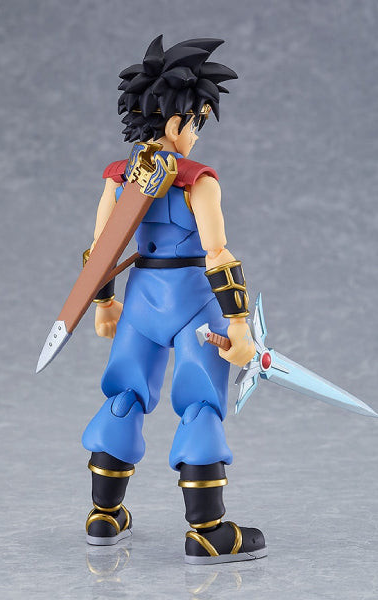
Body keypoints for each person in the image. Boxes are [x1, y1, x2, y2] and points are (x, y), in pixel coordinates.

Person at [81, 36, 267, 564]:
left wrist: (105, 305)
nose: (196, 133)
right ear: (175, 120)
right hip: (191, 302)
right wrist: (238, 325)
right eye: (196, 121)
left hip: (141, 301)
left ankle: (104, 516)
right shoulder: (196, 183)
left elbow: (101, 251)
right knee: (201, 402)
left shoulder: (120, 179)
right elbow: (217, 254)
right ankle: (208, 530)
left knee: (124, 395)